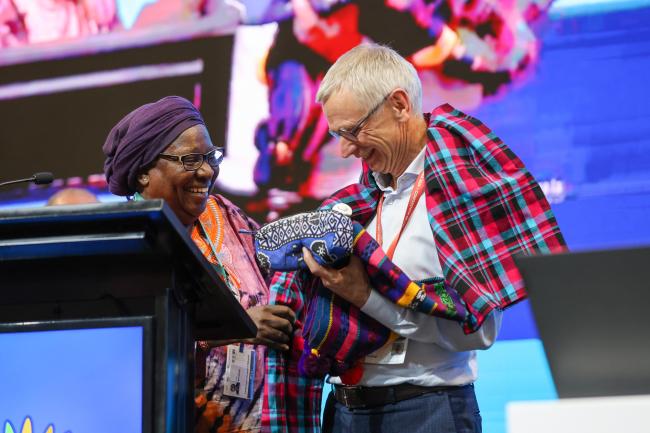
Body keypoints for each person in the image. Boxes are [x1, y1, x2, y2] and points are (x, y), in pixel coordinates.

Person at [263, 44, 566, 433]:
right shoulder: (354, 206)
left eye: (353, 130)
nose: (344, 149)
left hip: (427, 413)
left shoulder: (463, 195)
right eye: (337, 133)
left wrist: (366, 297)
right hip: (342, 414)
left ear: (400, 105)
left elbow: (478, 334)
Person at [102, 95, 295, 433]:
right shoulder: (129, 243)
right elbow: (123, 348)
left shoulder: (225, 215)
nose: (206, 171)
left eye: (210, 156)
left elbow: (277, 275)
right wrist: (236, 328)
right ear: (144, 173)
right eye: (190, 159)